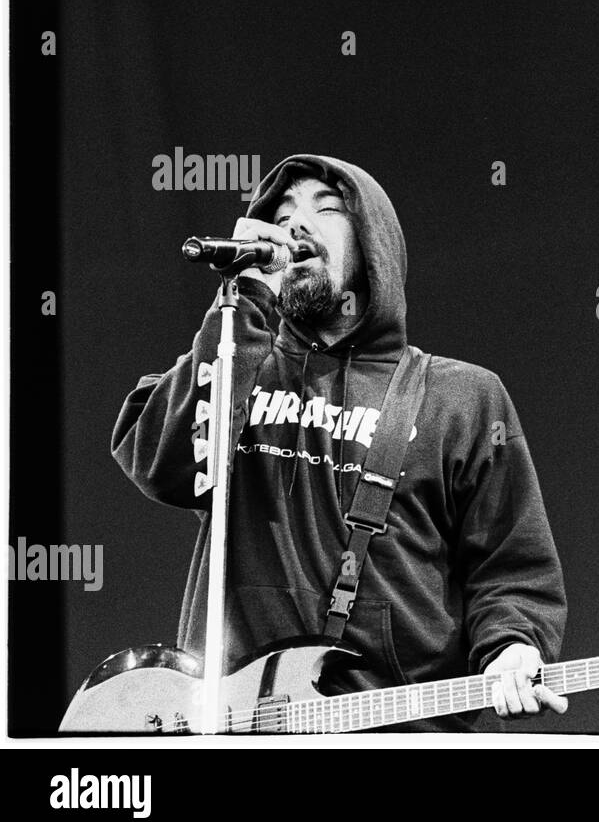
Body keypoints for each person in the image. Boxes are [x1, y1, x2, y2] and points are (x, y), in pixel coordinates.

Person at [111, 154, 567, 730]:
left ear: (373, 244)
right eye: (282, 212)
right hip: (236, 725)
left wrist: (514, 646)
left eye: (327, 209)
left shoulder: (463, 396)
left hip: (403, 726)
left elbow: (511, 566)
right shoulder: (237, 361)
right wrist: (244, 303)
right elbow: (160, 460)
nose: (295, 225)